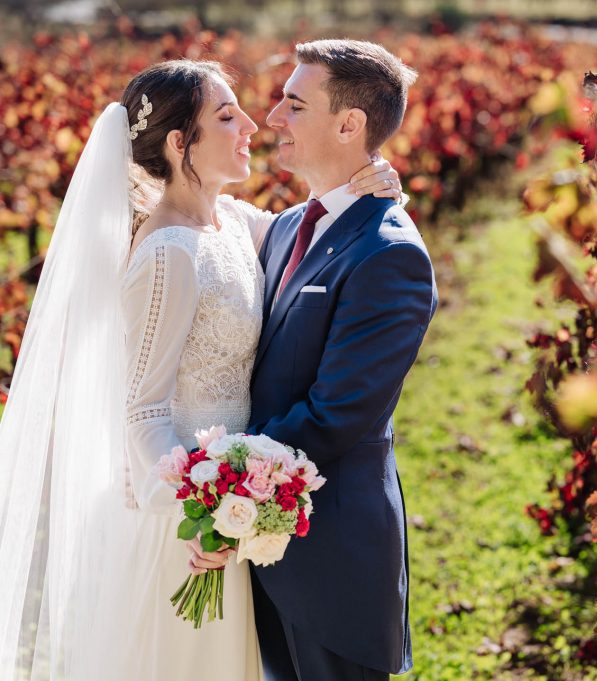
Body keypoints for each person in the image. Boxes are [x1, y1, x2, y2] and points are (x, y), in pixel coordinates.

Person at [0, 58, 403, 680]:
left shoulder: (231, 222)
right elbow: (144, 411)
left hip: (232, 510)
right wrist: (201, 511)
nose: (250, 124)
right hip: (187, 532)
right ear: (178, 143)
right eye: (226, 115)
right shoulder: (168, 254)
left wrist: (364, 185)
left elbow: (311, 236)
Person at [189, 39, 437, 680]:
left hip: (331, 560)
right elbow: (181, 205)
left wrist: (223, 497)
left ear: (350, 125)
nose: (272, 119)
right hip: (262, 548)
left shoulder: (391, 256)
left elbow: (334, 415)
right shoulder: (293, 222)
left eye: (294, 104)